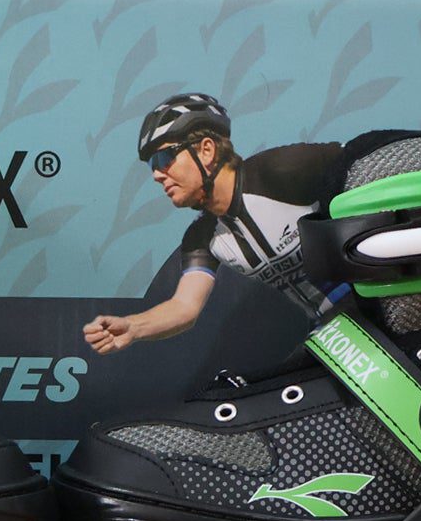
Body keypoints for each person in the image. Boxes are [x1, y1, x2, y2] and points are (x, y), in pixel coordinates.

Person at [84, 93, 341, 356]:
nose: (157, 175)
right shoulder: (202, 237)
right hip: (332, 335)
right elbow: (184, 307)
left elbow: (362, 155)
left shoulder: (278, 171)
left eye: (163, 158)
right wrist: (133, 327)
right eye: (152, 165)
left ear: (206, 150)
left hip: (367, 307)